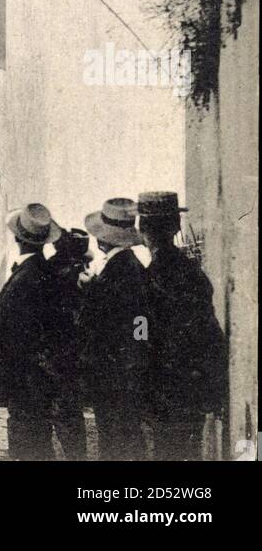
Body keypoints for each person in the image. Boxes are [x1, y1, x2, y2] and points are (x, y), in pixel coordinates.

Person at [137, 191, 227, 462]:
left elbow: (141, 334)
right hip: (192, 387)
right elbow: (210, 333)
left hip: (163, 390)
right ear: (177, 226)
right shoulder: (194, 274)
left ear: (143, 231)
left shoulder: (148, 280)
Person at [0, 203, 60, 461]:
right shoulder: (43, 272)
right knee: (36, 440)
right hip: (33, 379)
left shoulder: (28, 276)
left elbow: (19, 334)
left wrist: (4, 377)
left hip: (24, 379)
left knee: (28, 443)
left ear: (18, 238)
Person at [80, 197, 149, 461]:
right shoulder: (128, 266)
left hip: (116, 371)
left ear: (103, 238)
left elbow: (139, 320)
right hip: (121, 368)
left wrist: (133, 357)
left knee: (117, 436)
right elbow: (139, 321)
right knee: (123, 434)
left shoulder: (123, 269)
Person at [45, 227, 92, 460]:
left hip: (58, 356)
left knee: (63, 415)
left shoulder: (52, 272)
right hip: (69, 355)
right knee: (69, 417)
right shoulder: (72, 277)